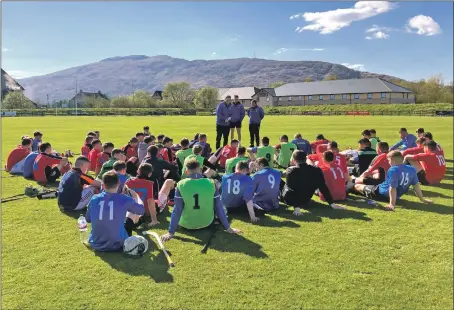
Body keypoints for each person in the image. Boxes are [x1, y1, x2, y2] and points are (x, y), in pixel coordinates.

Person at [161, 158, 242, 241]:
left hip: (186, 224)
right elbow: (218, 207)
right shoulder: (211, 183)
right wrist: (228, 228)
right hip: (206, 223)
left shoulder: (181, 185)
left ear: (186, 172)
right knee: (222, 208)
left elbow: (177, 209)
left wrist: (170, 232)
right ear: (200, 170)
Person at [86, 171, 145, 251]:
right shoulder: (124, 199)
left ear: (103, 185)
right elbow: (141, 211)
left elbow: (88, 219)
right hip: (118, 244)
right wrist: (136, 196)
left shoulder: (94, 198)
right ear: (118, 184)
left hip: (96, 242)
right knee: (132, 213)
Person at [354, 151, 431, 211]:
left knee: (357, 186)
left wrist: (392, 204)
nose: (388, 162)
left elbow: (392, 188)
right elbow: (416, 185)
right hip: (393, 195)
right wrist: (422, 199)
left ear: (393, 161)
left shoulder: (393, 169)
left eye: (389, 160)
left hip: (381, 193)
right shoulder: (412, 169)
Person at [281, 151, 344, 215]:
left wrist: (296, 207)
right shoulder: (316, 170)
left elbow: (290, 190)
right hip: (306, 199)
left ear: (294, 160)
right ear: (305, 159)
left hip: (291, 200)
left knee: (280, 182)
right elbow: (323, 187)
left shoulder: (291, 170)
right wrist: (332, 203)